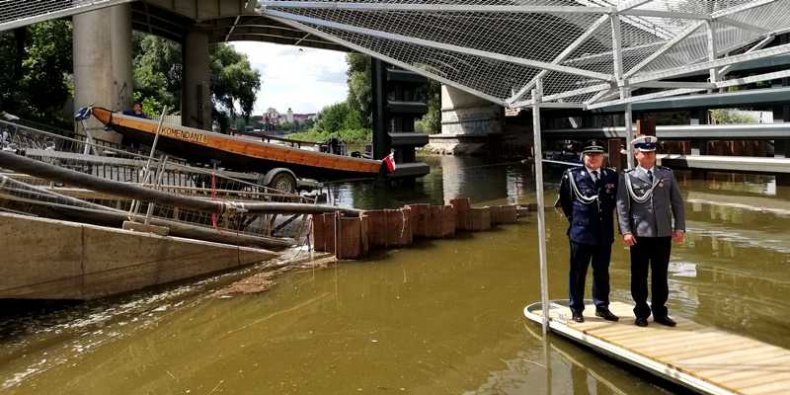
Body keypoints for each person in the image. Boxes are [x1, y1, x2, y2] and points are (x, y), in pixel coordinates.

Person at [616, 135, 686, 327]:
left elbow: (677, 203)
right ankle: (640, 312)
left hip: (663, 232)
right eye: (645, 153)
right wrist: (626, 231)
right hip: (639, 233)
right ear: (636, 154)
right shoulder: (627, 176)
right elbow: (622, 206)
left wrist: (679, 227)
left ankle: (660, 312)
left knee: (660, 274)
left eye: (652, 153)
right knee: (639, 275)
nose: (649, 156)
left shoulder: (666, 174)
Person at [559, 140, 620, 323]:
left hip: (603, 234)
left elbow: (617, 203)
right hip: (581, 233)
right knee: (578, 273)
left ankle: (602, 307)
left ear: (603, 157)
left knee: (602, 272)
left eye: (597, 155)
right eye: (590, 155)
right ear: (583, 157)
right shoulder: (572, 176)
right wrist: (577, 221)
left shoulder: (611, 176)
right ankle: (576, 309)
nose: (594, 158)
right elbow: (566, 202)